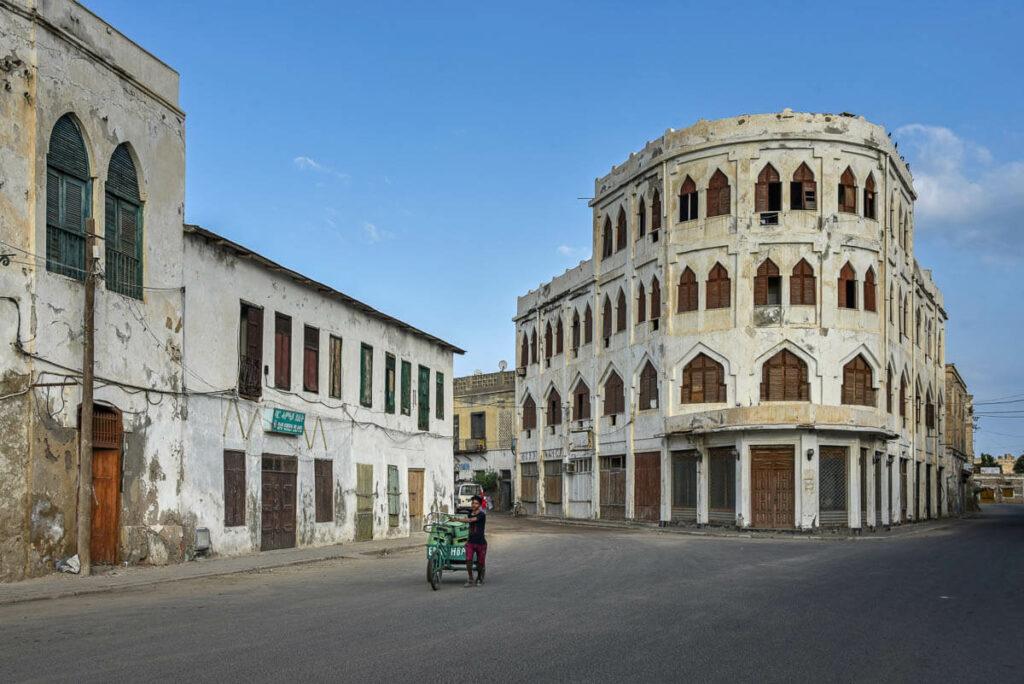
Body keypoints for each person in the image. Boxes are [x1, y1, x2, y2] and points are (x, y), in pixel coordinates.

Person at [453, 495, 486, 587]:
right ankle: (470, 578)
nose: (473, 505)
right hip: (470, 542)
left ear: (479, 505)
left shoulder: (482, 515)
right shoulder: (469, 513)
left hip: (481, 542)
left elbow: (471, 520)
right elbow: (469, 519)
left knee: (480, 563)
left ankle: (479, 578)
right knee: (468, 560)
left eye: (476, 503)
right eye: (472, 503)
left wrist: (457, 519)